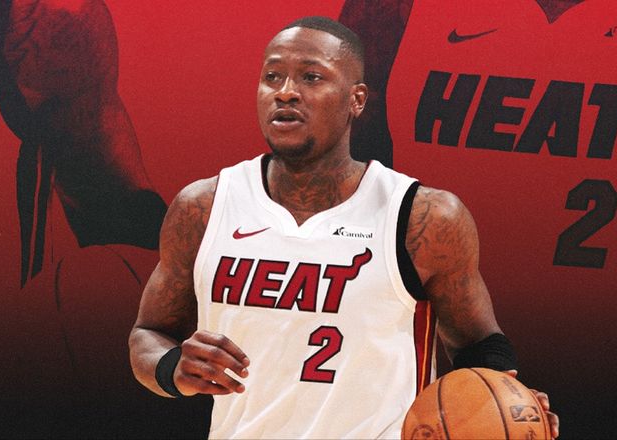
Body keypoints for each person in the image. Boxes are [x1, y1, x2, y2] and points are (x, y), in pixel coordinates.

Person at [129, 16, 560, 439]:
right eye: (272, 76)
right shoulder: (203, 208)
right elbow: (149, 334)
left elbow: (479, 344)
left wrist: (506, 402)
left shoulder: (422, 217)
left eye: (311, 77)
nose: (286, 92)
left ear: (357, 99)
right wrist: (171, 368)